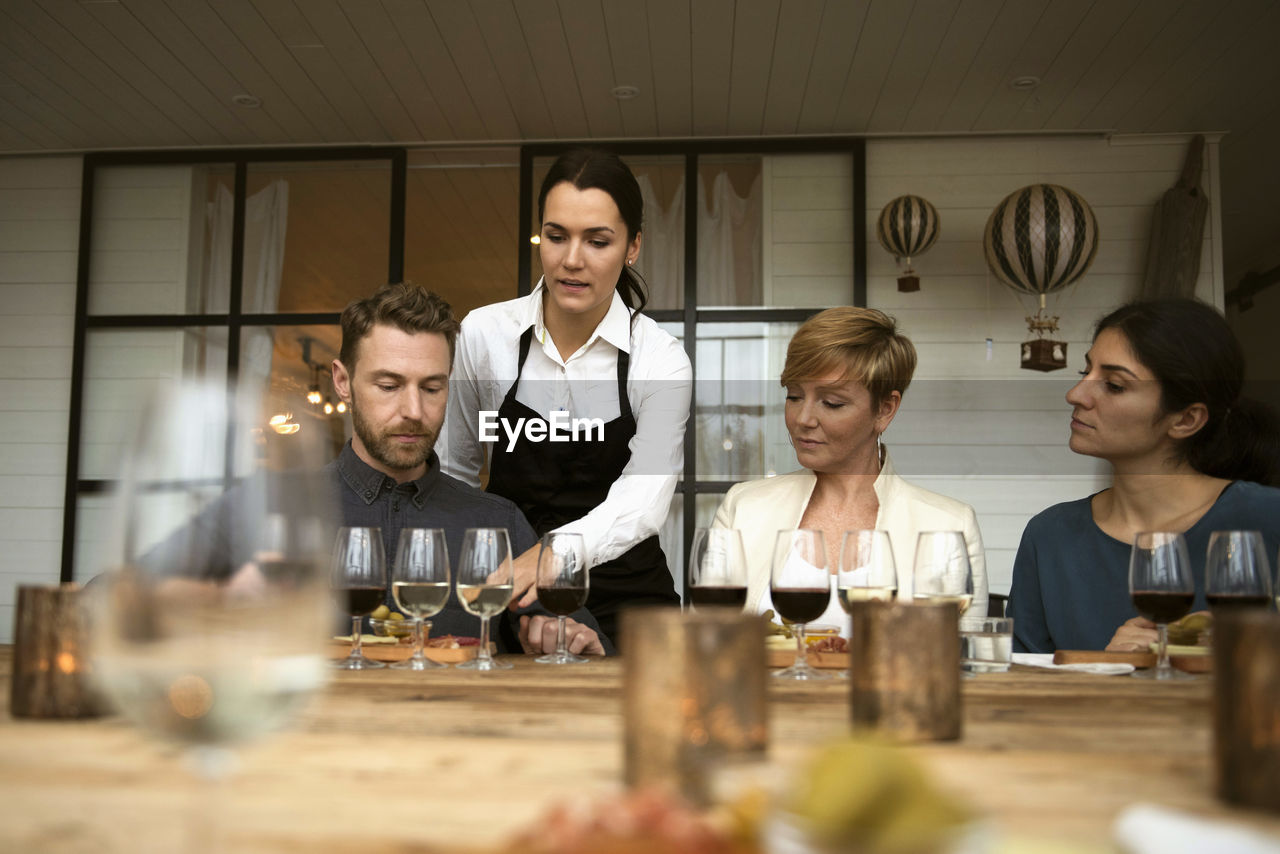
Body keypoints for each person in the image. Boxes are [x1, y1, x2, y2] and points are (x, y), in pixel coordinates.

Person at [143, 283, 609, 657]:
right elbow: (117, 596)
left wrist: (565, 638)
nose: (413, 410)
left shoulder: (498, 522)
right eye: (388, 385)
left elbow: (585, 642)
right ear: (343, 381)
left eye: (432, 387)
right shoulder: (266, 503)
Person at [442, 149, 692, 643]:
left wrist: (551, 554)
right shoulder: (484, 333)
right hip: (515, 594)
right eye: (556, 237)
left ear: (633, 246)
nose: (571, 260)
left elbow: (645, 499)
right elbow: (454, 471)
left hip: (627, 597)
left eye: (598, 241)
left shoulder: (660, 359)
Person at [1008, 298, 1280, 654]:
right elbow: (1024, 688)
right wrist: (1105, 672)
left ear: (1185, 420)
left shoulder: (1267, 517)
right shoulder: (1050, 535)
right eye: (1085, 372)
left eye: (1115, 385)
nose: (1075, 394)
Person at [711, 307, 988, 635]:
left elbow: (960, 663)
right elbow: (709, 641)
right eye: (794, 396)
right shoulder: (743, 507)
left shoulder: (949, 525)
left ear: (884, 410)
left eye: (832, 403)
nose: (803, 418)